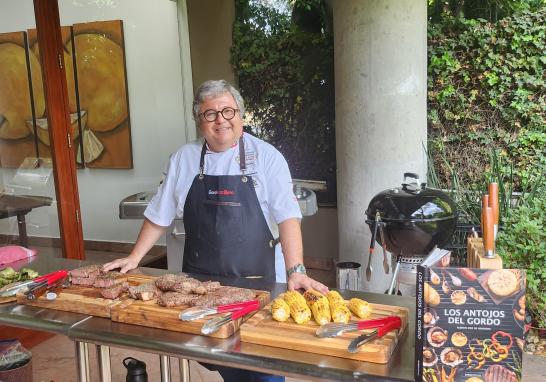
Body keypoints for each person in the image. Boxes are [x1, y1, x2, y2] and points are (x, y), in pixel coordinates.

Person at [103, 79, 328, 382]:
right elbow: (160, 213)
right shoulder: (184, 159)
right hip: (202, 287)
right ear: (199, 121)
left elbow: (288, 217)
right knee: (224, 359)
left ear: (241, 115)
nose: (220, 120)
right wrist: (134, 258)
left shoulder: (267, 157)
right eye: (210, 114)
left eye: (228, 111)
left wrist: (296, 269)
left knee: (262, 365)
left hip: (259, 284)